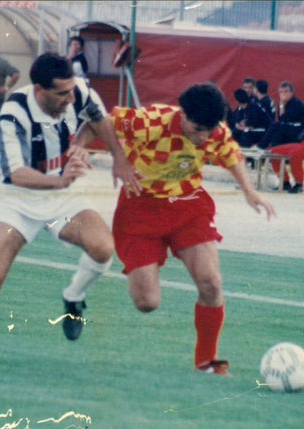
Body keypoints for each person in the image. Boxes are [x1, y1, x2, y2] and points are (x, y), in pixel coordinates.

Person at [0, 53, 137, 364]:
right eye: (62, 94)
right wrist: (59, 180)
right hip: (16, 199)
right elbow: (14, 173)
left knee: (102, 248)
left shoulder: (78, 91)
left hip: (63, 197)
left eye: (72, 90)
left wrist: (118, 158)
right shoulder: (13, 113)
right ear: (39, 90)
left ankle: (73, 298)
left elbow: (99, 119)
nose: (70, 97)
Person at [76, 82, 276, 375]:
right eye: (197, 129)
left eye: (208, 130)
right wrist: (80, 151)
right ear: (182, 115)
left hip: (188, 205)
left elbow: (231, 154)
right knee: (147, 302)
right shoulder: (150, 121)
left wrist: (249, 191)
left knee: (211, 282)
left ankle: (206, 361)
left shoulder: (213, 130)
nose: (203, 136)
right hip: (140, 209)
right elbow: (98, 123)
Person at [257, 81, 304, 148]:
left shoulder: (296, 103)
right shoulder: (282, 104)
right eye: (281, 92)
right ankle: (274, 151)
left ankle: (261, 146)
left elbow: (285, 119)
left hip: (301, 129)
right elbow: (281, 120)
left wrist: (282, 104)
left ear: (291, 93)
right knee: (277, 134)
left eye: (286, 91)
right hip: (291, 128)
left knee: (275, 125)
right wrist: (282, 105)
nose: (283, 94)